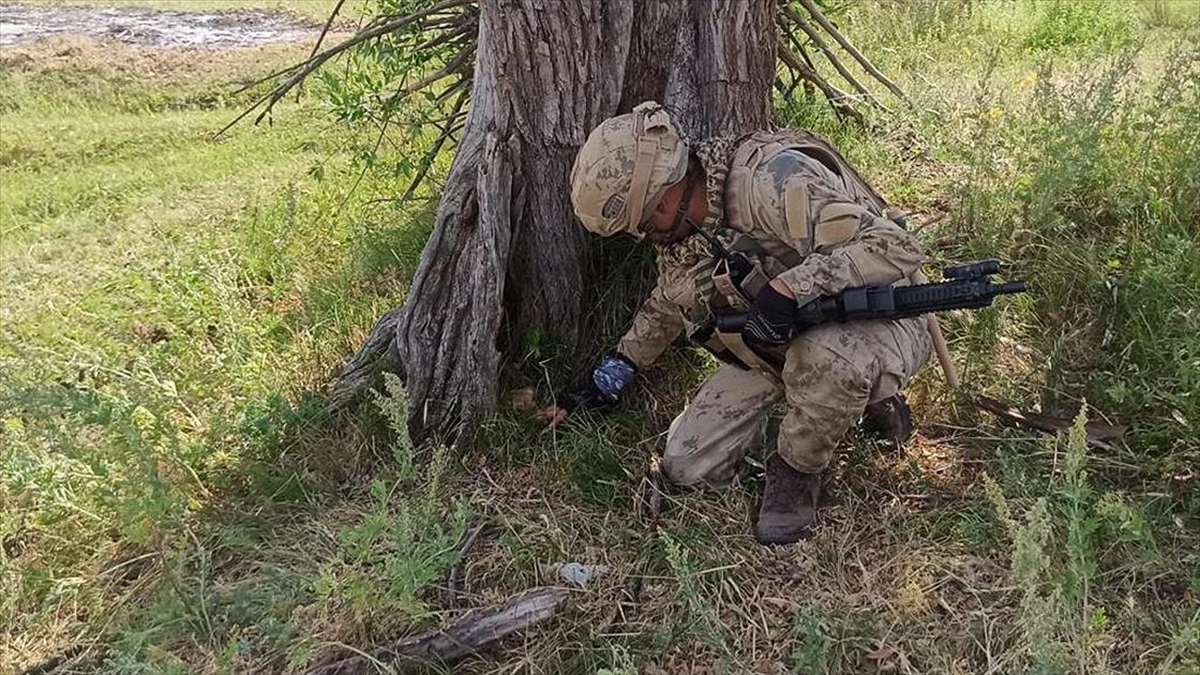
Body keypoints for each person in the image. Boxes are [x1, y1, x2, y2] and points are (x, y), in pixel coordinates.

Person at [542, 101, 932, 545]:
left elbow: (896, 247)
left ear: (668, 191)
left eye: (645, 222)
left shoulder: (771, 181)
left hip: (881, 316)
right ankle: (827, 402)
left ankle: (797, 473)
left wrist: (791, 288)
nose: (643, 236)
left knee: (826, 358)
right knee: (688, 467)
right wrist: (609, 377)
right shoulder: (685, 227)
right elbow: (668, 303)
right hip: (776, 345)